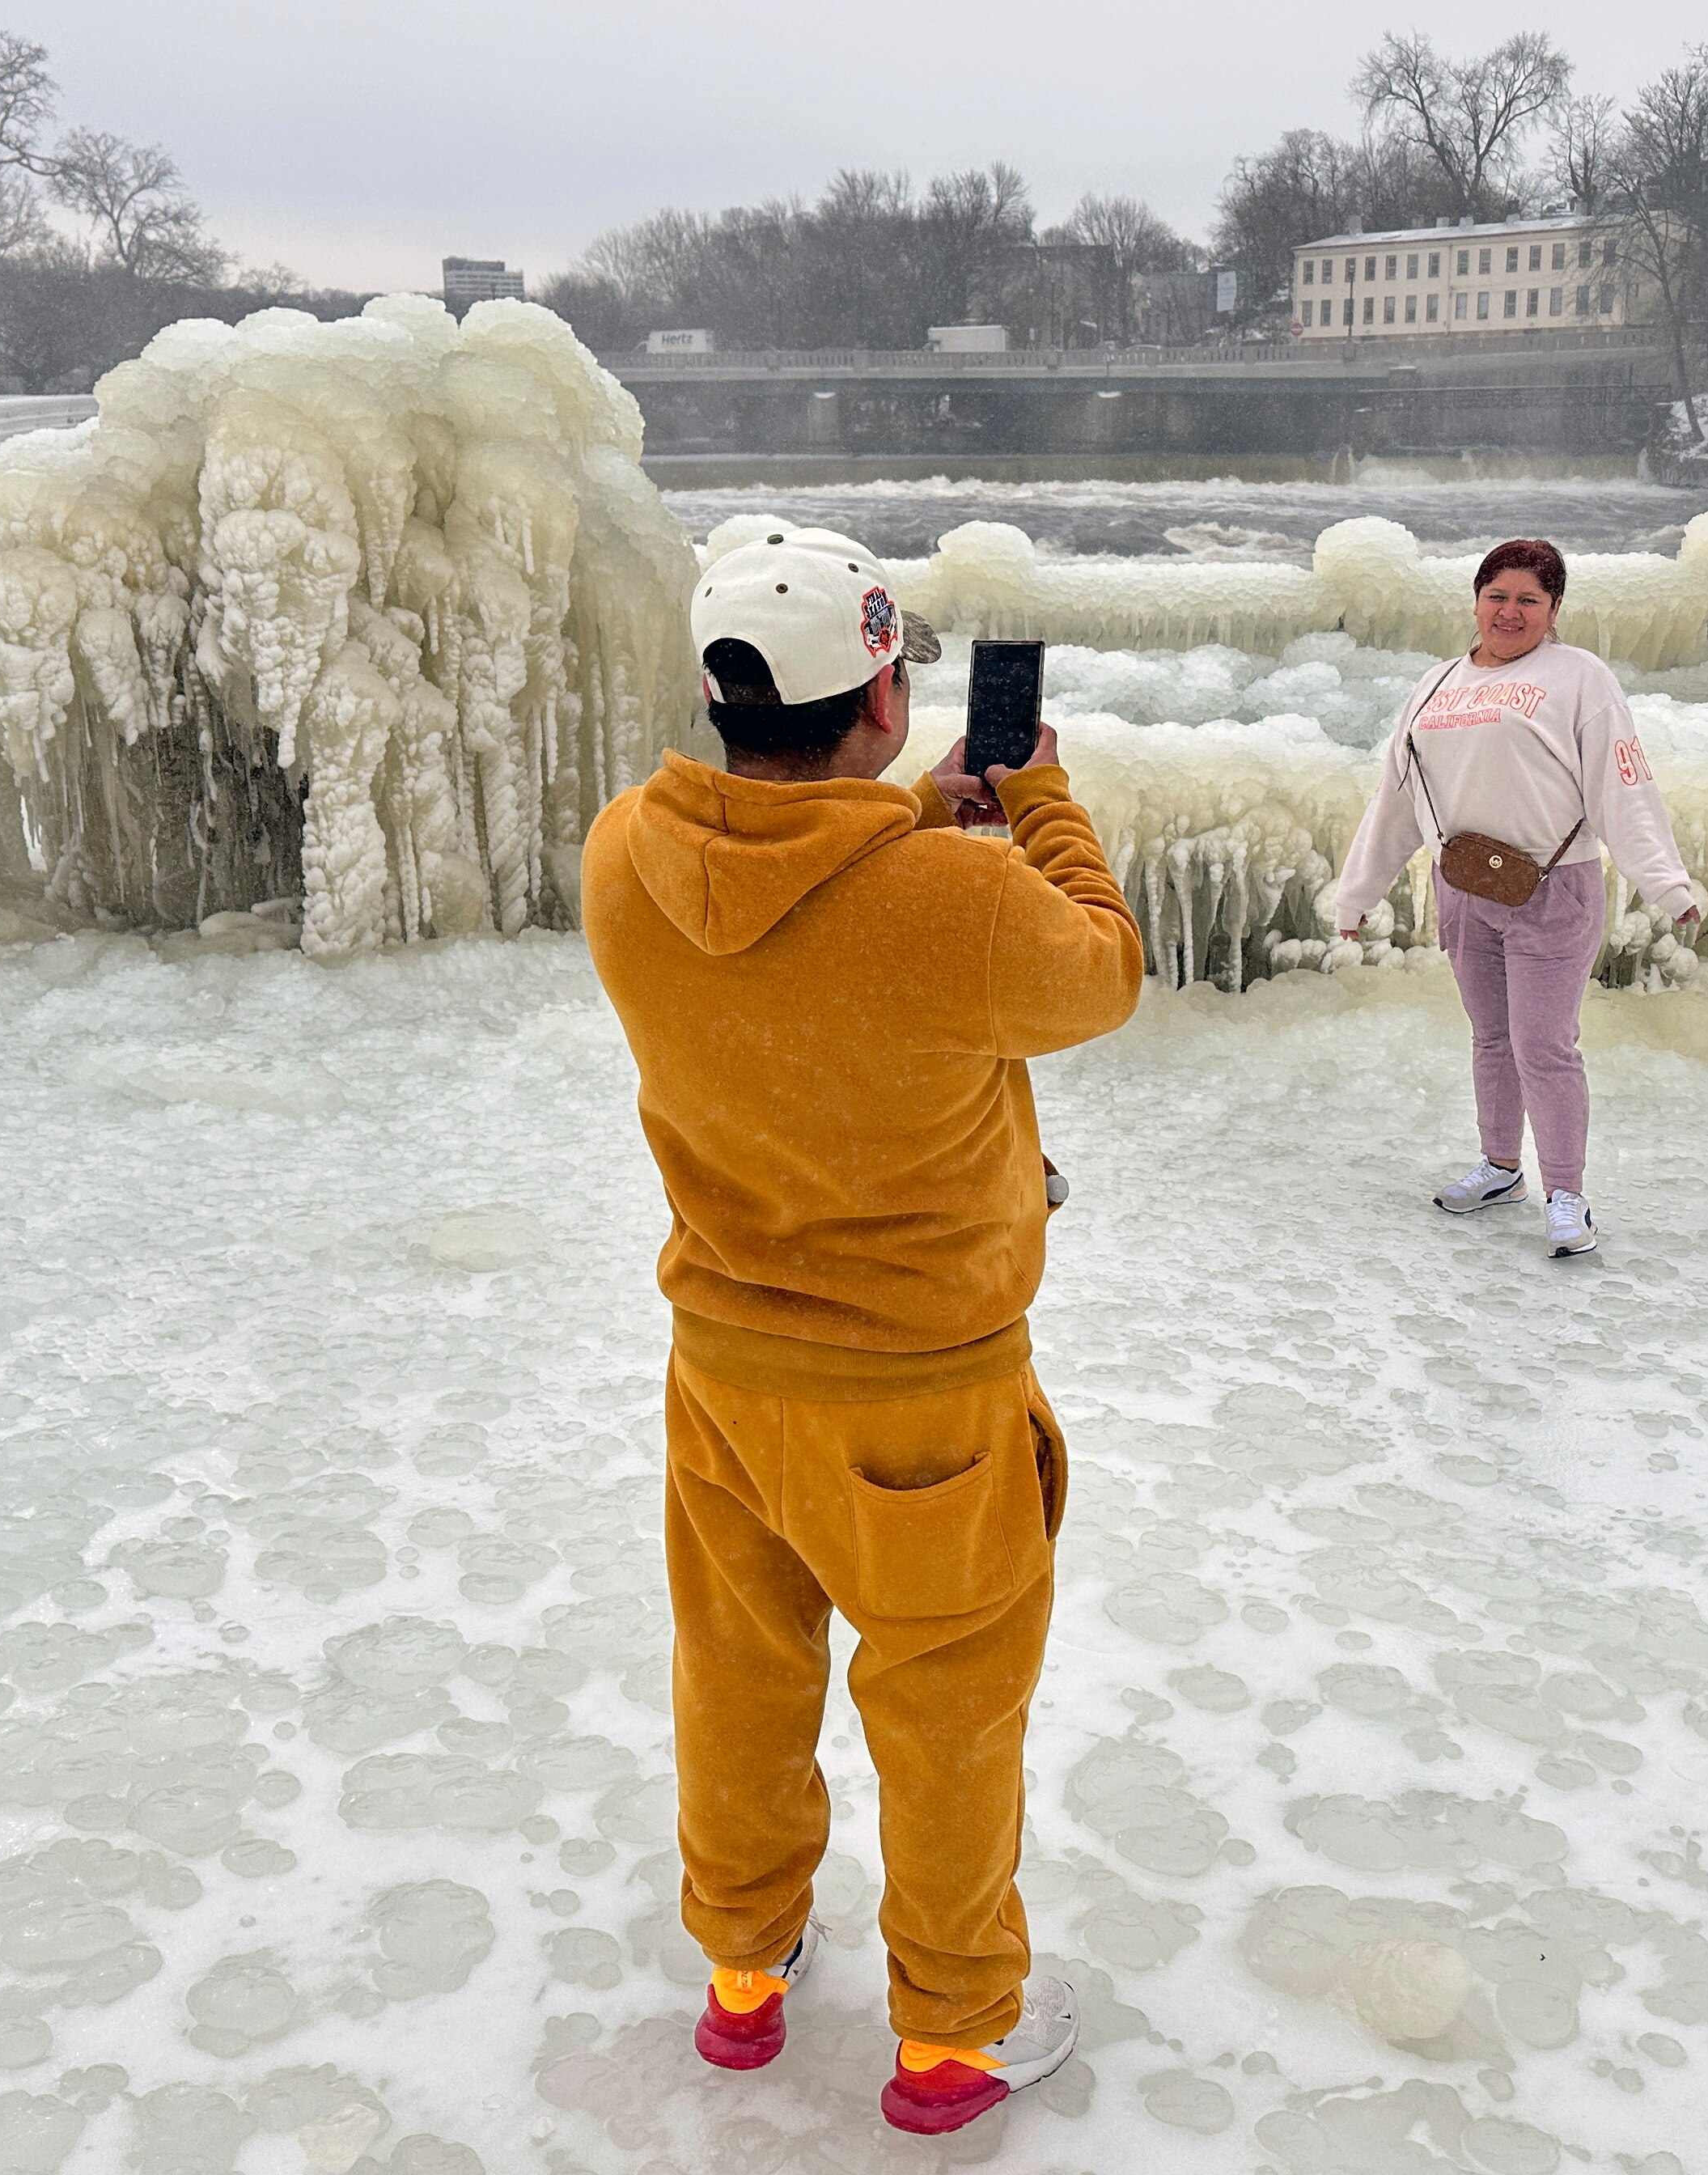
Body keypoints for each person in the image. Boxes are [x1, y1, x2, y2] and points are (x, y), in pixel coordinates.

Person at [581, 525, 1142, 2135]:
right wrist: (1027, 799)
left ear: (723, 692)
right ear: (885, 695)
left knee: (740, 1683)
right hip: (923, 1402)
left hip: (725, 1379)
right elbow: (1098, 971)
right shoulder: (960, 898)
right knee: (947, 1715)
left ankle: (747, 1976)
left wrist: (904, 826)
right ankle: (955, 2038)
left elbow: (794, 899)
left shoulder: (627, 853)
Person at [1332, 538, 1703, 1261]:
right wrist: (1359, 893)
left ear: (1554, 610)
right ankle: (1502, 1168)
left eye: (1529, 600)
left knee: (1545, 1046)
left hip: (1553, 886)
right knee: (1492, 1039)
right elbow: (1397, 799)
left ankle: (1567, 1193)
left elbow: (1622, 785)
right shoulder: (1436, 684)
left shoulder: (1579, 678)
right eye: (1497, 596)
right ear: (1475, 602)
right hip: (1465, 884)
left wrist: (1665, 882)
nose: (1510, 612)